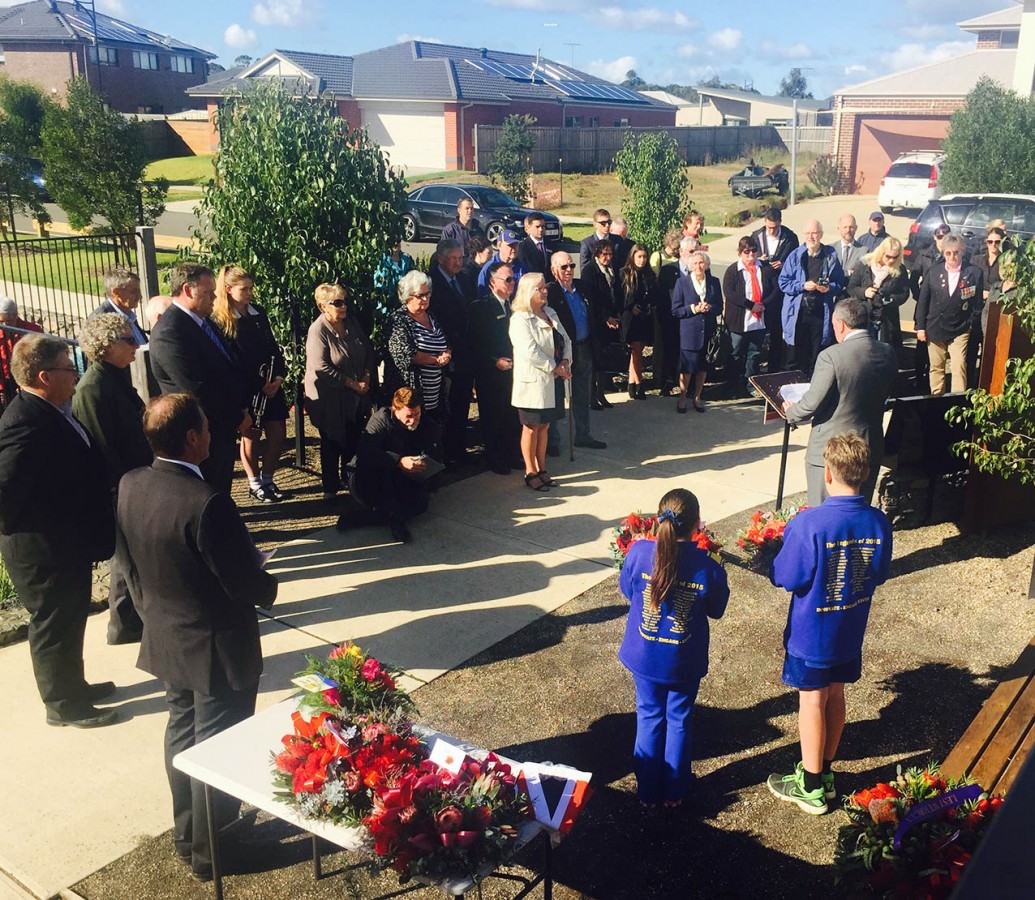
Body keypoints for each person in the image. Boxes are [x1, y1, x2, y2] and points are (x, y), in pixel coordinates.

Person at [118, 393, 277, 880]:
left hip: (168, 638)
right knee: (217, 747)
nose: (213, 433)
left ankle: (189, 835)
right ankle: (216, 851)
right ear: (192, 439)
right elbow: (244, 583)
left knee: (182, 738)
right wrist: (266, 582)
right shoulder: (207, 503)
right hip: (217, 650)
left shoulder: (130, 484)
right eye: (207, 427)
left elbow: (125, 565)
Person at [766, 433, 892, 816]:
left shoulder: (811, 524)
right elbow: (879, 573)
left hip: (811, 633)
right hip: (849, 628)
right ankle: (827, 769)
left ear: (829, 474)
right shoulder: (878, 522)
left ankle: (811, 784)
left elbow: (788, 577)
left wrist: (773, 555)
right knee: (836, 695)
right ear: (865, 474)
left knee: (811, 702)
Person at [0, 334, 117, 727]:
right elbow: (6, 495)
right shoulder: (25, 424)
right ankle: (63, 705)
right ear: (45, 376)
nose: (76, 374)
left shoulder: (50, 411)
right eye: (70, 368)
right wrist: (50, 525)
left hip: (66, 544)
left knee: (70, 618)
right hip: (44, 551)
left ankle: (73, 685)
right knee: (53, 624)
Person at [619, 488, 729, 807]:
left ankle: (648, 791)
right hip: (683, 657)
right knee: (679, 717)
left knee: (649, 714)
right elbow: (717, 608)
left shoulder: (639, 553)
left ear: (658, 520)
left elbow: (628, 589)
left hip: (645, 655)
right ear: (697, 524)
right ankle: (676, 790)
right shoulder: (707, 566)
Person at [72, 314, 152, 645]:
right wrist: (127, 491)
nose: (136, 346)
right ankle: (140, 623)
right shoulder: (92, 388)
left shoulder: (115, 378)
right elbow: (104, 448)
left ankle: (124, 624)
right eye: (128, 340)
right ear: (106, 347)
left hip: (133, 480)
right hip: (121, 488)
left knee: (127, 559)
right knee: (131, 559)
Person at [149, 262, 252, 495]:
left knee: (220, 488)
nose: (215, 297)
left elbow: (227, 365)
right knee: (206, 492)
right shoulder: (170, 332)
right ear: (187, 290)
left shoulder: (203, 322)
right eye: (208, 292)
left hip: (220, 428)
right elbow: (195, 386)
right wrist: (237, 417)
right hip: (197, 429)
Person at [783, 297, 898, 506]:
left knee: (824, 513)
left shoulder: (832, 356)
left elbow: (812, 403)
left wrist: (791, 411)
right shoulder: (887, 352)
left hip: (832, 448)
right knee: (858, 511)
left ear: (841, 324)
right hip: (869, 444)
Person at [212, 265, 288, 503]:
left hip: (270, 384)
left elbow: (272, 347)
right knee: (251, 436)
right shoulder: (221, 320)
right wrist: (257, 384)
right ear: (228, 289)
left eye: (251, 288)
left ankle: (268, 478)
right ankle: (254, 482)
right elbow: (233, 360)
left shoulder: (258, 313)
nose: (249, 293)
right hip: (247, 389)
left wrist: (278, 376)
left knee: (278, 434)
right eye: (244, 289)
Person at [304, 283, 374, 497]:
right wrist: (352, 384)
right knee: (332, 441)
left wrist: (367, 376)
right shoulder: (318, 330)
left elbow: (368, 349)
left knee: (353, 439)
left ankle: (351, 483)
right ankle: (330, 489)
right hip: (330, 397)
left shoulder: (350, 323)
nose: (343, 307)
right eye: (337, 303)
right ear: (323, 306)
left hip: (355, 395)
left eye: (344, 302)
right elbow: (321, 367)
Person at [348, 387, 442, 543]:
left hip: (403, 477)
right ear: (395, 410)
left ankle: (375, 517)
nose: (413, 420)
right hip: (369, 477)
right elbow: (365, 453)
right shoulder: (380, 420)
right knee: (387, 478)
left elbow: (436, 453)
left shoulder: (427, 424)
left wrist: (432, 483)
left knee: (421, 504)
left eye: (417, 414)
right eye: (408, 416)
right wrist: (398, 461)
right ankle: (394, 520)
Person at [509, 272, 571, 491]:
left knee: (544, 426)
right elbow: (529, 350)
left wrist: (565, 361)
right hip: (533, 383)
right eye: (540, 288)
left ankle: (542, 468)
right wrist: (555, 367)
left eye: (545, 287)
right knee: (531, 427)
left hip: (552, 381)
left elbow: (565, 339)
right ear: (528, 292)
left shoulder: (550, 313)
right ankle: (530, 470)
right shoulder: (519, 319)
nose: (545, 291)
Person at [547, 250, 607, 450]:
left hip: (583, 347)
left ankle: (583, 434)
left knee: (581, 393)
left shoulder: (582, 287)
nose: (569, 270)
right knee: (556, 397)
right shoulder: (550, 292)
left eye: (571, 266)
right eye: (563, 267)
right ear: (554, 269)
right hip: (561, 352)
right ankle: (552, 440)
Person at [469, 261, 521, 474]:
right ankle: (495, 458)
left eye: (513, 279)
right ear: (492, 282)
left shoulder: (514, 306)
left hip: (512, 370)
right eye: (507, 280)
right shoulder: (481, 307)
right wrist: (493, 360)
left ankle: (510, 454)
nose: (512, 284)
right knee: (493, 416)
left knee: (510, 414)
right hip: (490, 372)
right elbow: (476, 341)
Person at [915, 234, 982, 396]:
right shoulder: (933, 272)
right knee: (937, 367)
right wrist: (920, 327)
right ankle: (937, 400)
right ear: (943, 253)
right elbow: (923, 301)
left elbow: (977, 304)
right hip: (935, 327)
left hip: (960, 328)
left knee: (959, 366)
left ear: (963, 252)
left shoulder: (974, 273)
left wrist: (970, 324)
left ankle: (957, 402)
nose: (952, 257)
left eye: (956, 253)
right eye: (948, 253)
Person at [429, 238, 476, 465]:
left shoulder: (464, 279)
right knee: (447, 407)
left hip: (466, 353)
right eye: (454, 259)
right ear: (441, 259)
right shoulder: (433, 284)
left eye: (461, 258)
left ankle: (458, 450)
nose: (459, 263)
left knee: (461, 404)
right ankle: (446, 454)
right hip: (445, 355)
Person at [779, 219, 844, 377]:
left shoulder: (830, 256)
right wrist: (802, 285)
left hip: (820, 313)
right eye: (808, 233)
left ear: (821, 234)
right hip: (798, 313)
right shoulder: (795, 256)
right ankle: (793, 389)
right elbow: (783, 283)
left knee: (817, 356)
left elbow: (840, 283)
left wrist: (829, 288)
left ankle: (814, 391)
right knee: (795, 356)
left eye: (814, 233)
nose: (811, 237)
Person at [386, 270, 451, 424]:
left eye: (427, 294)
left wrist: (447, 353)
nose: (425, 299)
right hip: (411, 396)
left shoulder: (431, 316)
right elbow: (404, 355)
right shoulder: (398, 320)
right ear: (407, 296)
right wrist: (435, 360)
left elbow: (445, 341)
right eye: (420, 295)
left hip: (434, 395)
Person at [722, 237, 781, 398]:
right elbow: (730, 293)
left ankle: (750, 384)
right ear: (740, 253)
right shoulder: (733, 271)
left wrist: (763, 304)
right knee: (736, 352)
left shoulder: (765, 269)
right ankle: (733, 384)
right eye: (746, 252)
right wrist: (750, 305)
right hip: (739, 320)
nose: (751, 256)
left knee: (754, 354)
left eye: (754, 251)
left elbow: (775, 289)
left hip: (759, 320)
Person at [671, 249, 721, 413]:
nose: (699, 266)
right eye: (695, 263)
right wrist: (693, 308)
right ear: (690, 266)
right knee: (687, 368)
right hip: (689, 332)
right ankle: (683, 396)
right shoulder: (682, 283)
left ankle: (698, 397)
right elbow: (676, 310)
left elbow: (720, 307)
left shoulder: (714, 282)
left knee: (702, 367)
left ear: (707, 265)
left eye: (701, 263)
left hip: (707, 331)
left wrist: (710, 307)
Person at [751, 208, 798, 372]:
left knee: (777, 332)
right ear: (765, 222)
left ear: (780, 222)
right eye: (769, 227)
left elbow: (796, 260)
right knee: (758, 332)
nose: (772, 230)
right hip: (761, 287)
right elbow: (747, 257)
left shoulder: (790, 238)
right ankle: (754, 370)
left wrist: (784, 264)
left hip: (780, 290)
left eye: (775, 227)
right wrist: (758, 259)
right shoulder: (756, 236)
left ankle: (774, 368)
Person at [579, 239, 622, 409]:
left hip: (609, 321)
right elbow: (592, 299)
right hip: (595, 322)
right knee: (594, 361)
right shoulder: (590, 270)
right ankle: (591, 397)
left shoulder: (612, 269)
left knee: (603, 362)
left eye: (610, 254)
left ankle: (601, 395)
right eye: (604, 254)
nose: (608, 257)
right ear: (597, 254)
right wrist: (606, 318)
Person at [847, 237, 909, 348]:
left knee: (884, 352)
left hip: (887, 319)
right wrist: (864, 292)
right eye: (888, 256)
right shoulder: (864, 264)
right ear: (881, 252)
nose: (891, 260)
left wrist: (890, 299)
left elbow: (904, 294)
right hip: (864, 316)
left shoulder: (900, 269)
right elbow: (851, 288)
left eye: (895, 257)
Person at [620, 243, 661, 399]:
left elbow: (653, 295)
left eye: (645, 257)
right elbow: (621, 296)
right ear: (633, 257)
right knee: (636, 351)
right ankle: (639, 384)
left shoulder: (648, 274)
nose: (642, 260)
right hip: (630, 318)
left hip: (645, 317)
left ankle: (631, 383)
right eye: (639, 257)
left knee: (637, 351)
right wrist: (630, 307)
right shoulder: (624, 273)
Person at [0, 297, 43, 411]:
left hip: (28, 377)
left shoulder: (32, 331)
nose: (4, 325)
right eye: (1, 321)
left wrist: (28, 384)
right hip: (5, 380)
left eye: (7, 321)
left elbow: (40, 360)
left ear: (15, 316)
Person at [92, 267, 148, 346]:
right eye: (133, 292)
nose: (140, 296)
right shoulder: (101, 321)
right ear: (116, 292)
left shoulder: (129, 315)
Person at [477, 228, 525, 295]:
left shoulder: (522, 265)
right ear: (499, 245)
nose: (514, 248)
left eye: (516, 245)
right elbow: (482, 295)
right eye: (510, 245)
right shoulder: (488, 269)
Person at [440, 195, 483, 260]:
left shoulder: (478, 230)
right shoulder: (450, 230)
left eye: (472, 208)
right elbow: (443, 253)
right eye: (467, 208)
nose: (470, 211)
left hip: (474, 268)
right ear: (459, 210)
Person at [517, 211, 554, 283]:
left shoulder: (550, 243)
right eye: (537, 227)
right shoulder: (522, 247)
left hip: (551, 286)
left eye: (543, 226)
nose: (541, 229)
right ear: (529, 228)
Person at [833, 215, 865, 287]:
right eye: (845, 227)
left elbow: (860, 275)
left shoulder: (864, 251)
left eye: (851, 227)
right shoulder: (830, 249)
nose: (848, 230)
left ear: (856, 228)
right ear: (838, 229)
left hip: (852, 293)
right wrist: (847, 272)